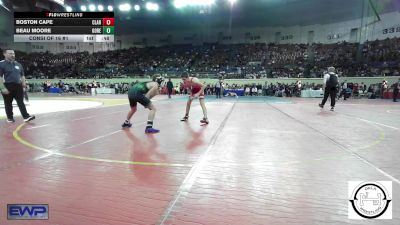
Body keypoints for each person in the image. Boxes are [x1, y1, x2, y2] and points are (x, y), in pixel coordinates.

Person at [0, 49, 35, 123]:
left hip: (18, 85)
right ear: (4, 54)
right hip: (7, 85)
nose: (12, 55)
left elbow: (22, 75)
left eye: (13, 53)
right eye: (10, 53)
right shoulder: (1, 64)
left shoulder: (18, 64)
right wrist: (2, 88)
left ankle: (26, 117)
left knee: (21, 102)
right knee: (8, 103)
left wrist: (24, 83)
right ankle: (10, 118)